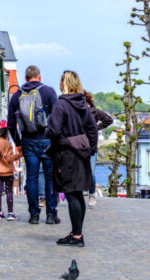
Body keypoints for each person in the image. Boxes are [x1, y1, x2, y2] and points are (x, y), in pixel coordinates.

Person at [47, 70, 98, 248]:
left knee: (71, 194)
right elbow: (92, 128)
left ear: (65, 83)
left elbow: (53, 130)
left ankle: (77, 236)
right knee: (78, 194)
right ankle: (77, 231)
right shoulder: (82, 104)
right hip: (81, 154)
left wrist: (58, 141)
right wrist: (90, 148)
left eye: (61, 80)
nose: (59, 83)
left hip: (66, 154)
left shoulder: (61, 105)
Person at [8, 65, 59, 225]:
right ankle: (51, 214)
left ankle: (34, 215)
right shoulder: (49, 92)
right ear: (39, 76)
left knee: (32, 177)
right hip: (47, 140)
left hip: (28, 141)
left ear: (25, 78)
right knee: (51, 178)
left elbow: (11, 124)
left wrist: (18, 143)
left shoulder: (17, 96)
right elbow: (57, 118)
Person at [0, 119, 21, 221]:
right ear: (6, 132)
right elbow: (9, 158)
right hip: (7, 172)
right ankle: (10, 213)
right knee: (9, 192)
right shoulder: (7, 144)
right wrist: (19, 155)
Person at [83, 91, 114, 208]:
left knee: (90, 171)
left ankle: (91, 194)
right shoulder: (78, 112)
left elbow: (109, 120)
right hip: (78, 145)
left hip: (91, 146)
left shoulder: (94, 111)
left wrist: (96, 127)